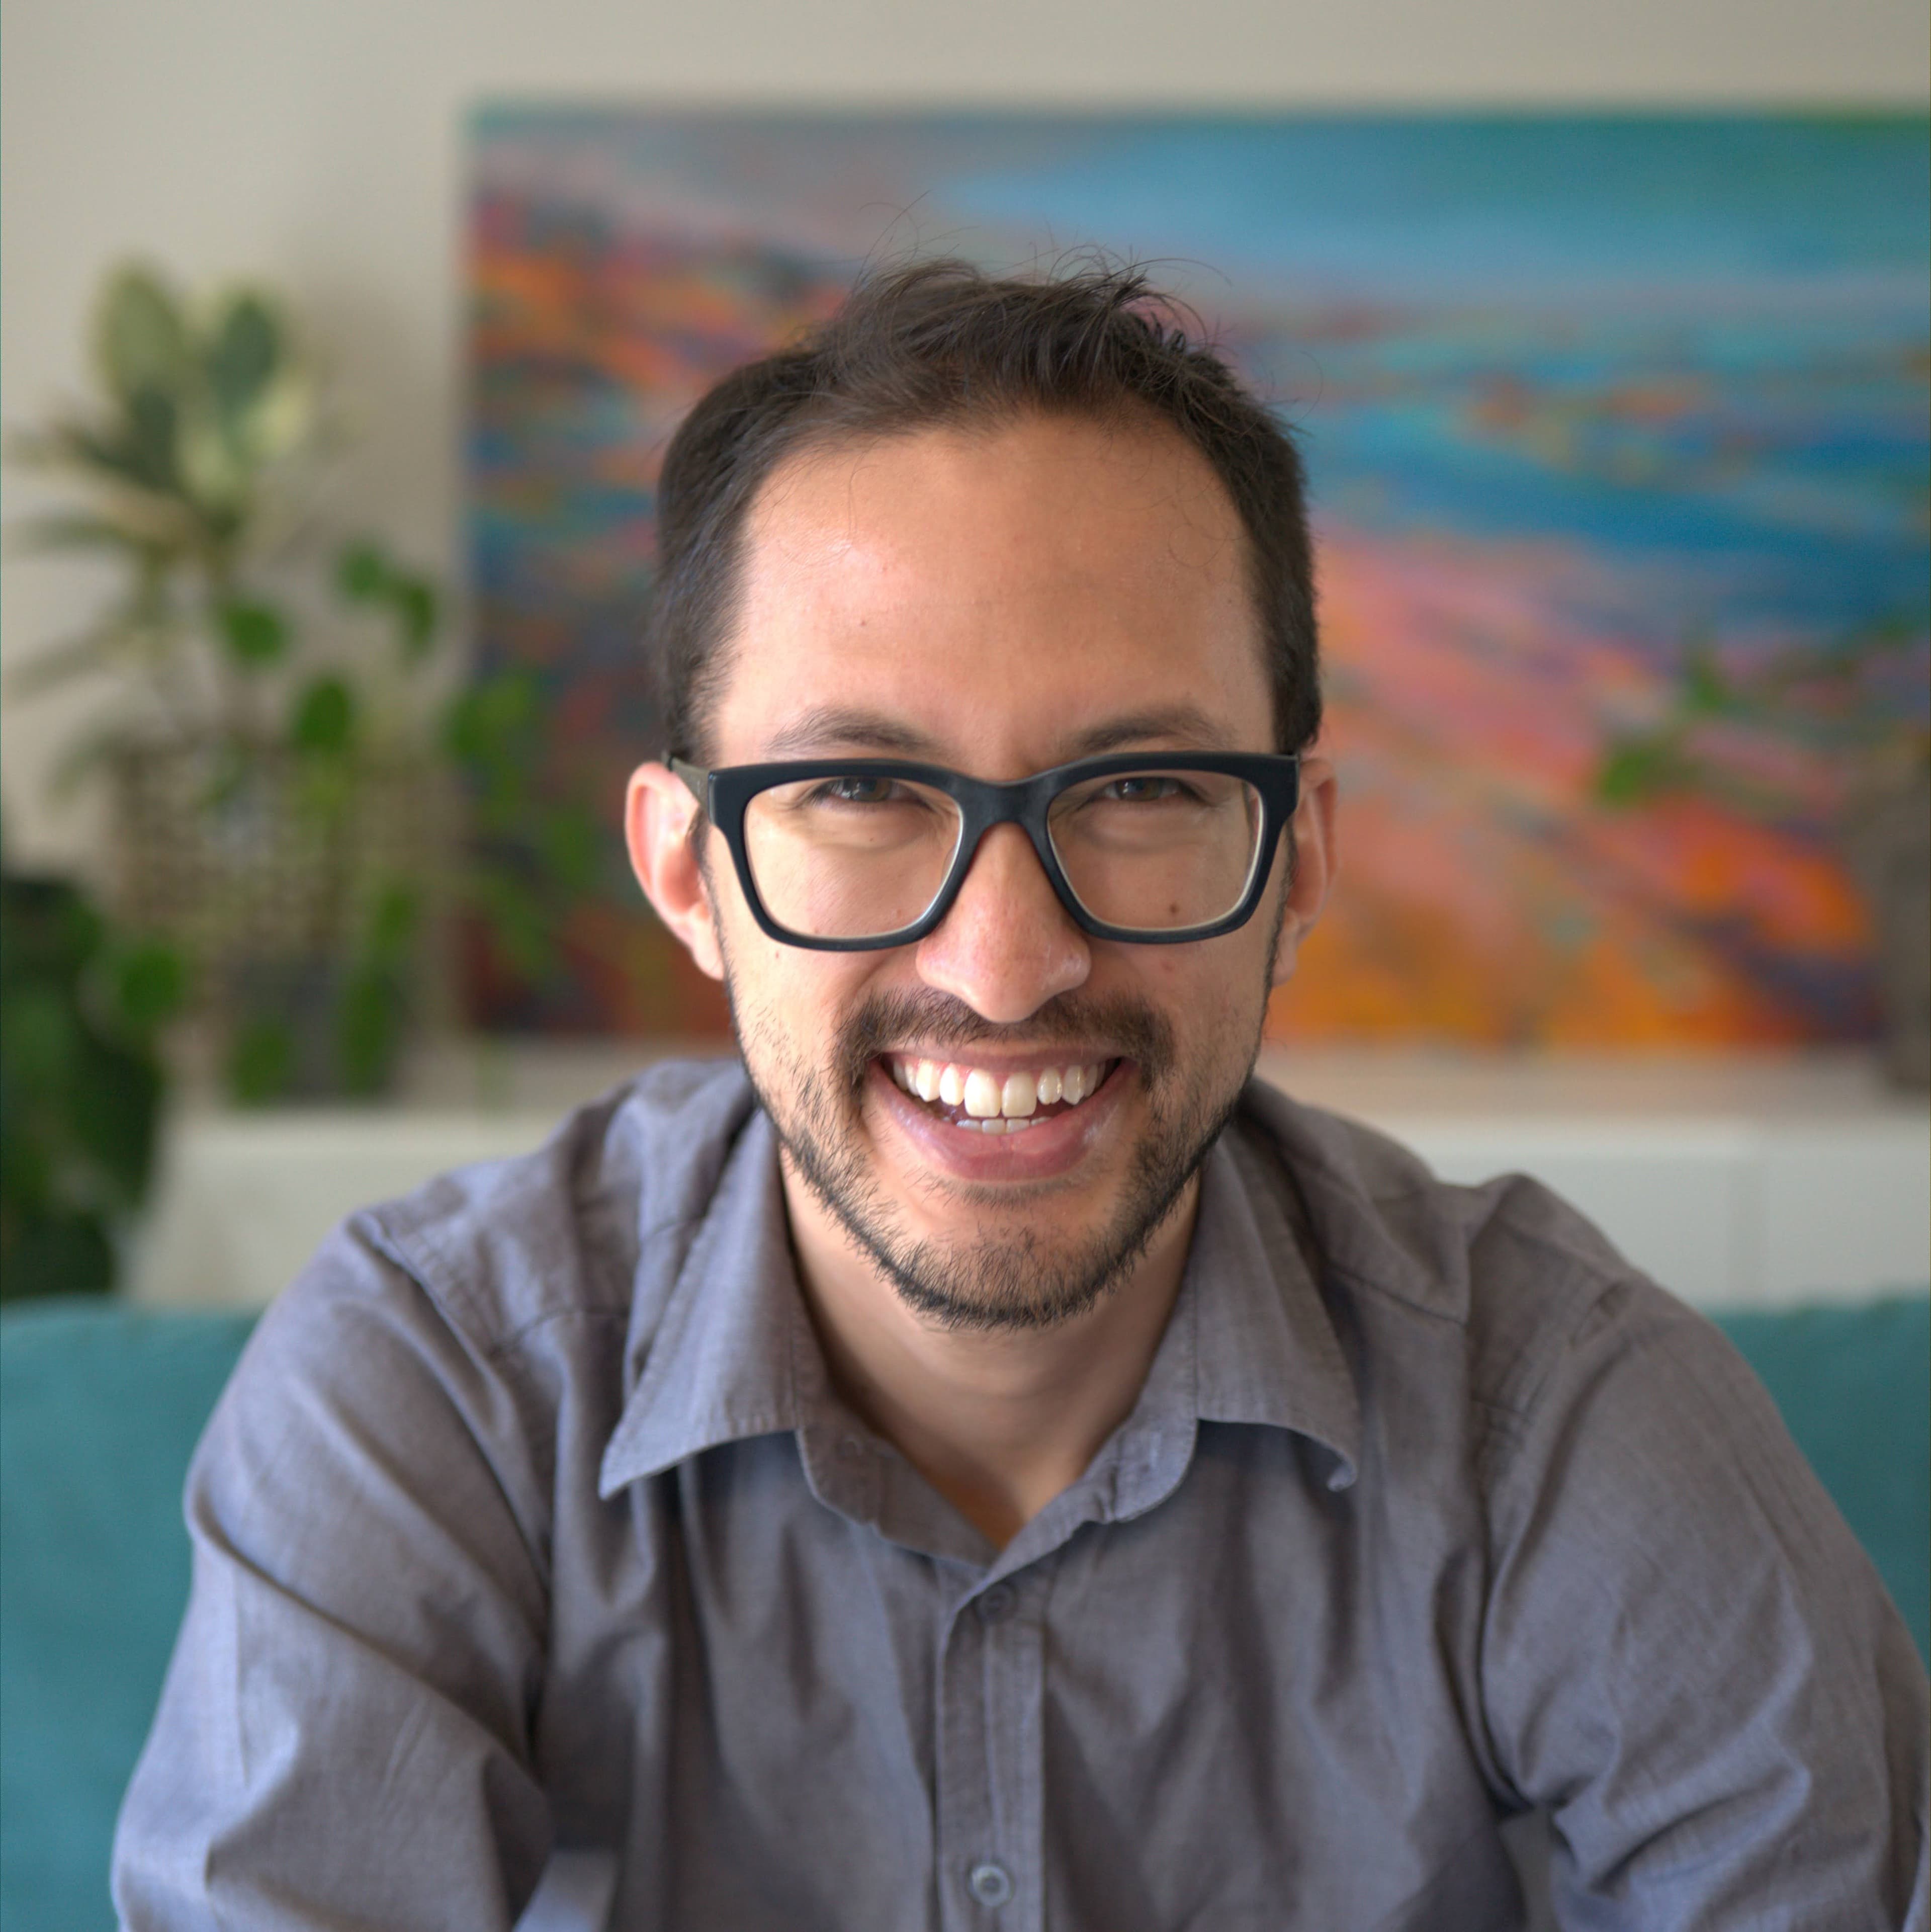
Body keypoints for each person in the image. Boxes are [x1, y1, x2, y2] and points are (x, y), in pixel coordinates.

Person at [114, 261, 1926, 1931]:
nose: (1003, 961)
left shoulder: (1560, 1415)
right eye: (856, 792)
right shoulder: (434, 1386)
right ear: (689, 876)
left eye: (1138, 787)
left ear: (1291, 859)